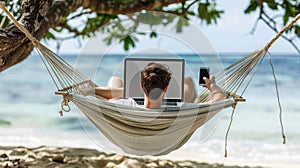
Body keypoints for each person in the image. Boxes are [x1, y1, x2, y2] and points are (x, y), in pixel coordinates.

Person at [83, 63, 226, 109]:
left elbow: (101, 94)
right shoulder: (184, 110)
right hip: (175, 112)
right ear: (166, 89)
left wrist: (88, 90)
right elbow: (220, 99)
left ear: (140, 87)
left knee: (115, 79)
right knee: (187, 80)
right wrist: (212, 86)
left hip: (131, 100)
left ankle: (131, 89)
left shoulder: (122, 106)